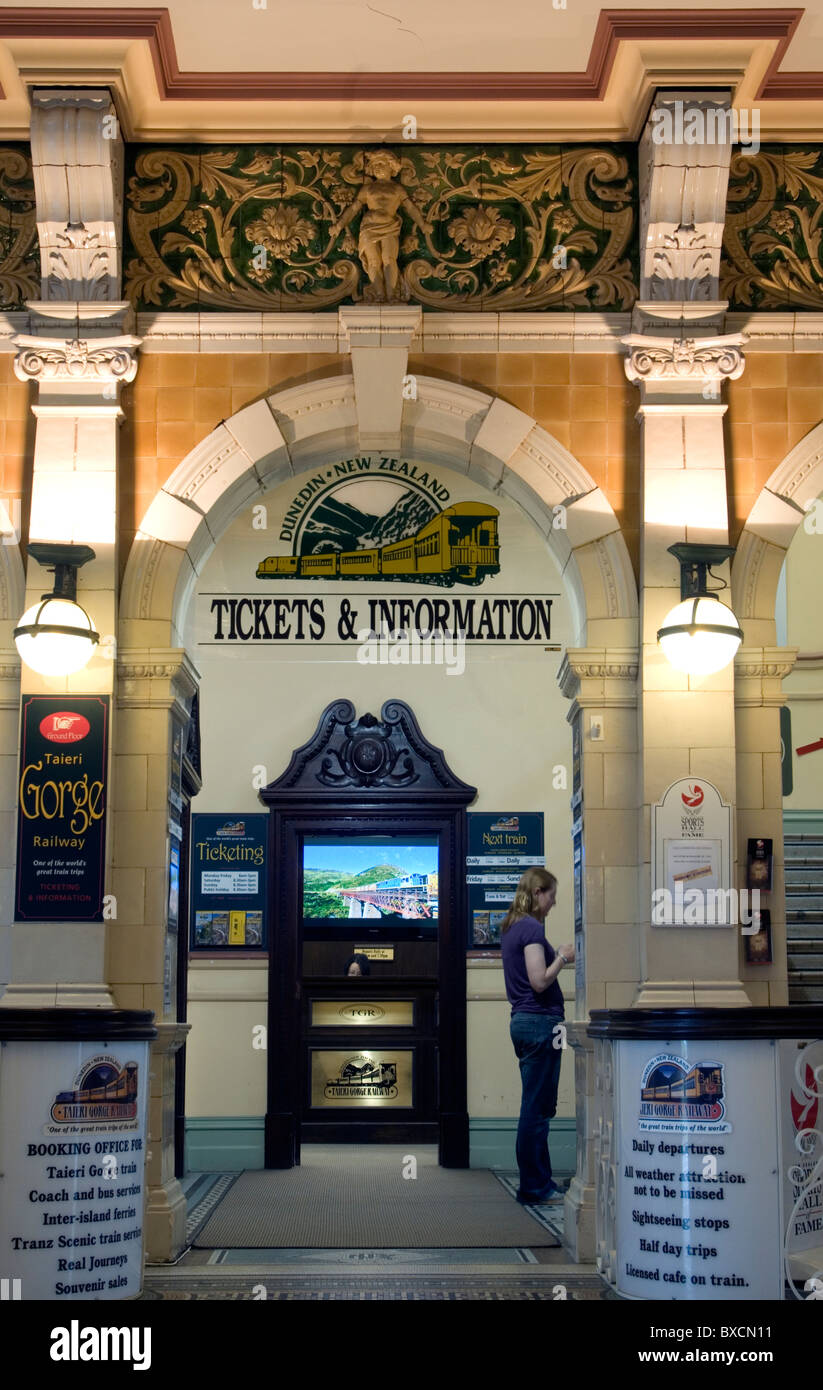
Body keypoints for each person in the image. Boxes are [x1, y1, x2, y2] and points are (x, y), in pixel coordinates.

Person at [500, 867, 575, 1205]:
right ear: (538, 892)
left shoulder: (512, 927)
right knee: (536, 1109)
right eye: (551, 897)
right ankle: (534, 1187)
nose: (553, 904)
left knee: (537, 1105)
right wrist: (561, 956)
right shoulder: (530, 928)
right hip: (540, 1024)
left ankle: (540, 1181)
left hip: (529, 1023)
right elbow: (539, 981)